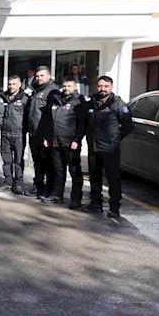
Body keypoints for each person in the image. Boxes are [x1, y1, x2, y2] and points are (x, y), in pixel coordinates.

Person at [83, 76, 133, 218]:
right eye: (100, 86)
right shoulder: (92, 102)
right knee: (94, 177)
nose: (102, 89)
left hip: (110, 149)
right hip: (94, 147)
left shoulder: (118, 104)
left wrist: (116, 138)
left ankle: (114, 207)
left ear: (111, 87)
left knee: (113, 179)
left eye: (106, 86)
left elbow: (128, 125)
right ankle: (95, 203)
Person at [46, 76, 87, 208]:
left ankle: (76, 199)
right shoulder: (56, 100)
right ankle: (57, 195)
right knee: (59, 170)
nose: (66, 88)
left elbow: (82, 123)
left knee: (74, 172)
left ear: (75, 87)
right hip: (56, 142)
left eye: (69, 86)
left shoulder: (79, 102)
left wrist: (77, 140)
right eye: (64, 86)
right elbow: (50, 121)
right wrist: (48, 138)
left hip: (71, 143)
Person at [27, 65, 61, 200]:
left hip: (44, 134)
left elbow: (53, 115)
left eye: (42, 75)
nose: (39, 78)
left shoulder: (52, 91)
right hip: (34, 132)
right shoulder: (35, 89)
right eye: (37, 76)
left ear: (49, 76)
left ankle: (48, 190)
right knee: (38, 163)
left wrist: (48, 135)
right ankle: (38, 186)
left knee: (47, 163)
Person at [0, 75, 29, 195]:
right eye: (9, 84)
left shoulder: (25, 98)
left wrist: (24, 130)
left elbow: (28, 117)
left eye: (14, 84)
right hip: (5, 133)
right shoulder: (3, 97)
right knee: (6, 160)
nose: (11, 86)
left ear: (20, 84)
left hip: (18, 134)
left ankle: (18, 183)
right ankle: (8, 182)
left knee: (18, 160)